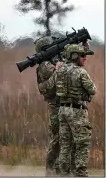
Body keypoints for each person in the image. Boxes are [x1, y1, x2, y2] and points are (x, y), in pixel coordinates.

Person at [39, 44, 96, 176]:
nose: (85, 58)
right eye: (82, 55)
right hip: (77, 111)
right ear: (75, 56)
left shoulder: (59, 70)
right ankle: (80, 173)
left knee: (65, 145)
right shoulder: (81, 72)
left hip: (62, 111)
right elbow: (93, 89)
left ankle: (63, 174)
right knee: (82, 143)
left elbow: (49, 87)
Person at [35, 36, 63, 176]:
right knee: (56, 139)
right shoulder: (44, 66)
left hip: (63, 105)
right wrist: (58, 69)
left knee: (64, 139)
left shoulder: (53, 61)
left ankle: (60, 171)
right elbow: (51, 84)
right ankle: (50, 171)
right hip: (55, 106)